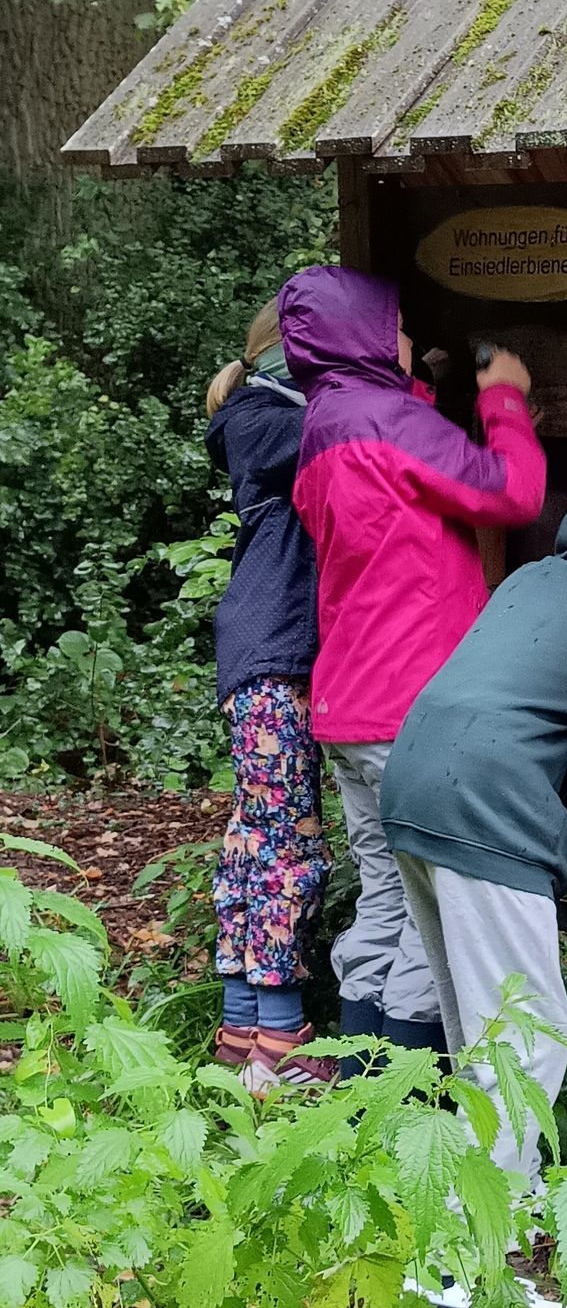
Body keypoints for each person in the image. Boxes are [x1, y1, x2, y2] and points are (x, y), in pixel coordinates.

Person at [380, 463, 567, 1204]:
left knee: (478, 1043)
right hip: (487, 810)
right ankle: (473, 1257)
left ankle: (468, 1210)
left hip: (410, 786)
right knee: (526, 1042)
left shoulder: (527, 581)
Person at [278, 266, 547, 1050]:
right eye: (395, 326)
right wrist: (504, 399)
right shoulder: (386, 422)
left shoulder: (327, 421)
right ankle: (407, 1112)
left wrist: (421, 389)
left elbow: (398, 477)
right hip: (411, 710)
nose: (408, 338)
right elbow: (512, 491)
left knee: (386, 904)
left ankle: (361, 1103)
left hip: (349, 712)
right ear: (362, 337)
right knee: (437, 921)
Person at [205, 302, 332, 1089]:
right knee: (289, 842)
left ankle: (243, 1024)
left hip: (262, 654)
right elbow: (354, 429)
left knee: (255, 840)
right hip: (276, 656)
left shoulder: (260, 416)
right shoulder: (267, 419)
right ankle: (281, 1046)